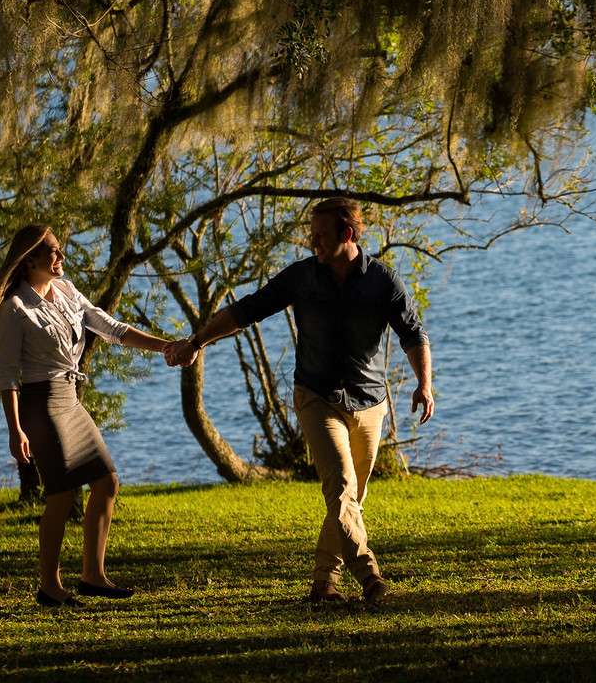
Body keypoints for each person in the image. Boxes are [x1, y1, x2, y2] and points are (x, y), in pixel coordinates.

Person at [165, 197, 434, 604]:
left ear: (347, 234)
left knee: (351, 500)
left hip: (369, 403)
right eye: (312, 236)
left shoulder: (383, 280)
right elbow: (248, 309)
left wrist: (424, 385)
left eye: (321, 236)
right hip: (317, 397)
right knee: (340, 488)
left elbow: (413, 333)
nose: (314, 243)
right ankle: (370, 578)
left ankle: (324, 583)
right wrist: (197, 341)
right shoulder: (302, 277)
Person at [0, 223, 172, 608]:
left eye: (59, 249)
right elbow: (7, 375)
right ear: (30, 260)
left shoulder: (67, 291)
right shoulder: (15, 309)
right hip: (41, 404)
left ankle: (93, 576)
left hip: (70, 400)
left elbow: (111, 328)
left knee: (106, 483)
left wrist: (166, 347)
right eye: (53, 251)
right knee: (62, 494)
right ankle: (49, 586)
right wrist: (15, 429)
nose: (61, 256)